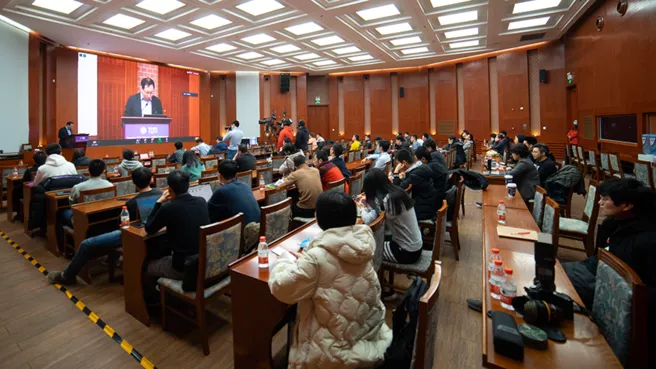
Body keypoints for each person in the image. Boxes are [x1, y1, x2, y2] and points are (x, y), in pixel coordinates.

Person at [268, 191, 392, 369]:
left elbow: (281, 288)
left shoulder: (318, 257)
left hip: (334, 349)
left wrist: (283, 261)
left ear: (319, 218)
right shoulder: (362, 241)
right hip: (368, 328)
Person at [48, 168, 162, 285]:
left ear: (133, 182)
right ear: (151, 179)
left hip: (131, 235)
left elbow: (121, 224)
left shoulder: (132, 203)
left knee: (86, 244)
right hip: (152, 232)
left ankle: (66, 276)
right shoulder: (160, 193)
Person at [145, 170, 209, 298]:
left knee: (146, 267)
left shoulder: (168, 207)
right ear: (188, 185)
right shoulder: (202, 201)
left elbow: (149, 228)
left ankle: (153, 302)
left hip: (183, 267)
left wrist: (159, 202)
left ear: (169, 188)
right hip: (204, 260)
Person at [360, 168, 422, 265]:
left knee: (365, 252)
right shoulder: (397, 192)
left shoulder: (388, 200)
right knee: (375, 240)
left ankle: (376, 276)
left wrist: (363, 208)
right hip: (415, 245)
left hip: (406, 252)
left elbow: (368, 220)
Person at [208, 160, 260, 250]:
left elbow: (208, 212)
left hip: (243, 239)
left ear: (219, 176)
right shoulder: (246, 185)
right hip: (259, 231)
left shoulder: (221, 191)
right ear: (237, 175)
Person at [392, 149, 437, 221]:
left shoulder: (415, 174)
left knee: (394, 212)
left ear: (403, 163)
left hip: (423, 210)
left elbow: (397, 190)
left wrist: (396, 172)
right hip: (429, 204)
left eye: (398, 164)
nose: (398, 166)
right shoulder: (422, 166)